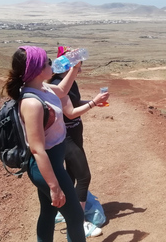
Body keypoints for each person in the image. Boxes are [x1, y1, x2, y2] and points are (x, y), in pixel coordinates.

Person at [3, 46, 85, 242]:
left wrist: (74, 65)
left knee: (48, 213)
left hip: (52, 164)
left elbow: (63, 90)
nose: (52, 65)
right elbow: (37, 149)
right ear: (38, 69)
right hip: (47, 168)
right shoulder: (32, 102)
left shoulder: (42, 88)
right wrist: (54, 186)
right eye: (48, 62)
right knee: (75, 216)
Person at [49, 46, 109, 237]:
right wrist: (93, 103)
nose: (80, 64)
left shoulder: (70, 82)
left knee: (72, 175)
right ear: (67, 64)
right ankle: (78, 221)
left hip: (75, 134)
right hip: (65, 137)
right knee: (84, 177)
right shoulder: (59, 83)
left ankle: (64, 211)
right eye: (75, 62)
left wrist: (93, 101)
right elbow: (70, 113)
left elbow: (75, 105)